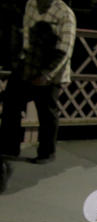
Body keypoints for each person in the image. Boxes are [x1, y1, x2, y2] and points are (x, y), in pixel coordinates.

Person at [0, 0, 75, 163]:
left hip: (52, 69)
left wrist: (46, 74)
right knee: (11, 104)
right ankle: (9, 147)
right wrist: (20, 61)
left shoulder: (65, 13)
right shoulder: (31, 4)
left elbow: (64, 50)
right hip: (29, 63)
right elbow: (26, 34)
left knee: (47, 113)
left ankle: (47, 152)